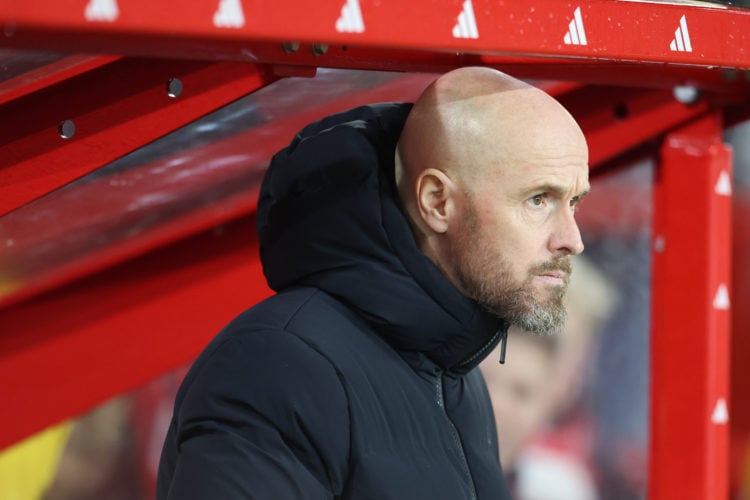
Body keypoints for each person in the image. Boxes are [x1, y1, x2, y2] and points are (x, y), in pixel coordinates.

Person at [157, 66, 590, 499]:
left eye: (573, 202)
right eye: (539, 199)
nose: (573, 239)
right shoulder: (277, 365)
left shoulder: (460, 378)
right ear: (437, 202)